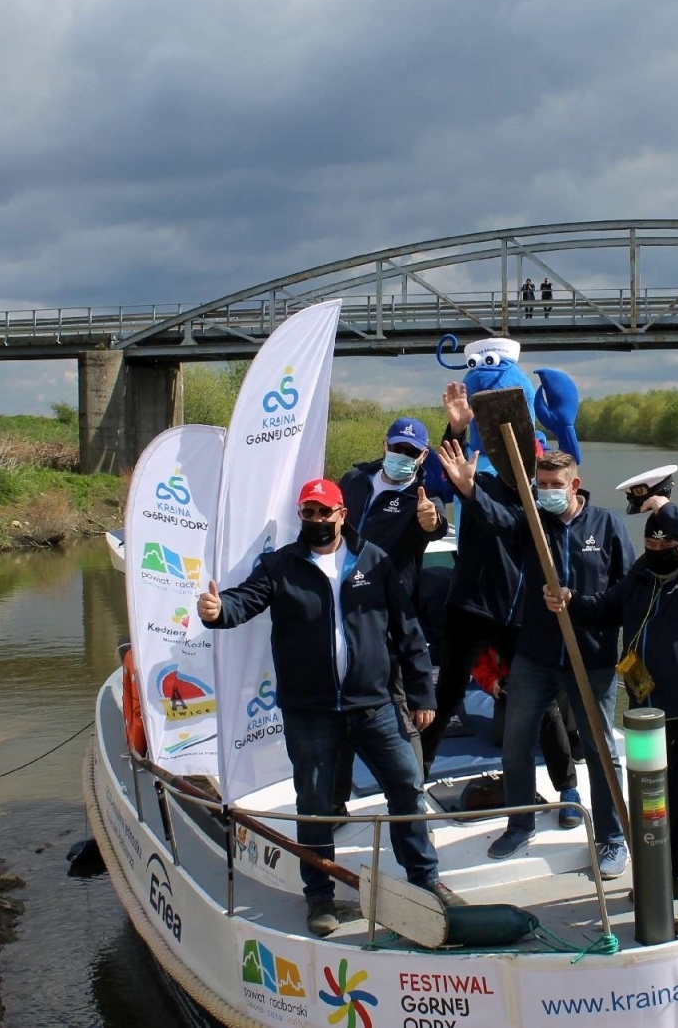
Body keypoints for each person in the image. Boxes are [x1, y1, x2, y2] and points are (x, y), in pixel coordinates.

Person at [196, 478, 463, 937]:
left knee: (406, 786)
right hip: (310, 712)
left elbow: (407, 630)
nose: (317, 520)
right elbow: (245, 600)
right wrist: (218, 611)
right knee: (315, 804)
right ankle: (319, 895)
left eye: (324, 512)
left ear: (342, 514)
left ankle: (425, 878)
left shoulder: (373, 561)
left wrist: (422, 695)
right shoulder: (280, 565)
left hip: (373, 705)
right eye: (309, 512)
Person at [545, 493, 678, 935]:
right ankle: (677, 873)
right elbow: (602, 610)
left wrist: (668, 510)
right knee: (657, 802)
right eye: (650, 546)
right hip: (648, 713)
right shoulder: (640, 578)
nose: (656, 552)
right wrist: (568, 600)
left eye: (665, 545)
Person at [437, 441, 634, 878]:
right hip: (536, 656)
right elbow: (497, 520)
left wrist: (579, 603)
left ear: (575, 485)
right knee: (516, 742)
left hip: (591, 658)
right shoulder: (533, 524)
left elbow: (627, 593)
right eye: (540, 484)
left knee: (601, 751)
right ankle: (520, 824)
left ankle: (611, 837)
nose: (546, 492)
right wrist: (469, 490)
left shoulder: (607, 526)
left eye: (554, 484)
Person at [419, 383, 585, 828]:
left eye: (531, 459)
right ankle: (416, 779)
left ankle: (567, 786)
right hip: (472, 609)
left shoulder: (543, 503)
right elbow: (445, 476)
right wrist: (456, 429)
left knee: (543, 701)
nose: (522, 464)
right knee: (446, 696)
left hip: (522, 616)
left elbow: (513, 525)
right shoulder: (483, 483)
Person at [327, 418, 450, 816]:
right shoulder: (354, 480)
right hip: (339, 608)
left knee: (398, 708)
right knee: (338, 706)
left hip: (384, 616)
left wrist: (433, 521)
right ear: (385, 444)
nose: (402, 456)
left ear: (423, 456)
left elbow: (435, 524)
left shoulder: (422, 498)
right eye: (397, 448)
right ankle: (334, 803)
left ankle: (413, 800)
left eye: (411, 452)